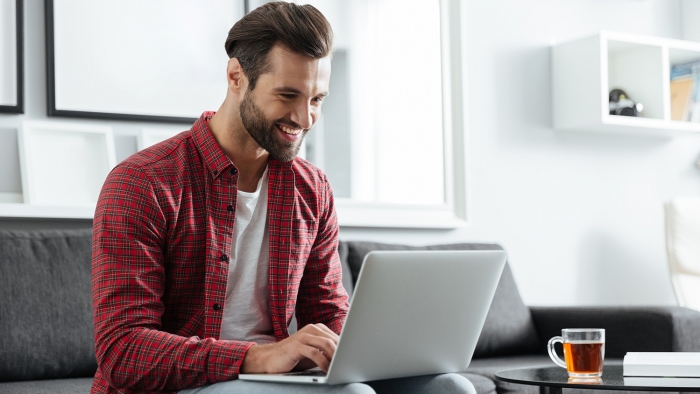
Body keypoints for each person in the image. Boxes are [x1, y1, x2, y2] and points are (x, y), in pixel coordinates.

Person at [91, 2, 476, 394]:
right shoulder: (144, 182)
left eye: (316, 99)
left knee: (451, 388)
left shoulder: (312, 189)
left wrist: (365, 348)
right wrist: (257, 357)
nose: (305, 118)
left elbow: (326, 311)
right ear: (236, 76)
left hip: (275, 380)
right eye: (288, 95)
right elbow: (122, 350)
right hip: (180, 386)